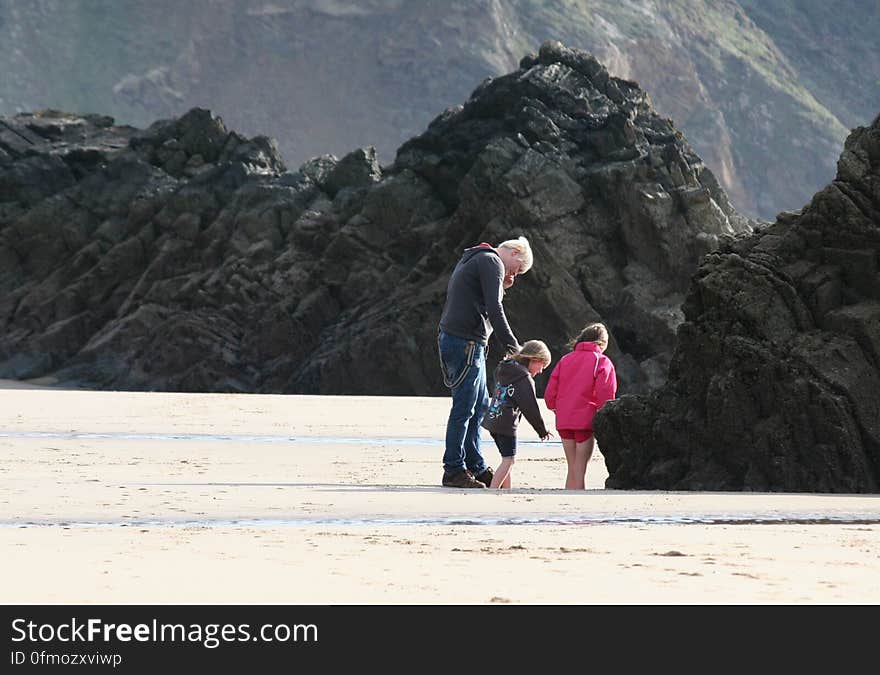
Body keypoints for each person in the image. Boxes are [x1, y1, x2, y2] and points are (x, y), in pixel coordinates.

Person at [437, 236, 533, 489]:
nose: (515, 274)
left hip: (461, 340)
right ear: (513, 253)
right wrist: (514, 348)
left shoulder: (476, 257)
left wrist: (502, 286)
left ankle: (475, 465)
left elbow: (484, 300)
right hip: (465, 342)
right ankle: (454, 470)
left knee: (479, 406)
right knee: (464, 408)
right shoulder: (492, 262)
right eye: (518, 269)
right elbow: (494, 308)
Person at [544, 322, 618, 490]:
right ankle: (576, 504)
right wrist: (603, 412)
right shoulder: (601, 361)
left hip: (564, 419)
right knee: (580, 469)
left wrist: (556, 408)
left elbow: (550, 393)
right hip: (585, 420)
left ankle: (567, 503)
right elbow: (605, 392)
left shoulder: (565, 360)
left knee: (572, 468)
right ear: (602, 343)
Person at [481, 340, 554, 489]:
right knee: (509, 460)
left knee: (506, 459)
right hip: (505, 424)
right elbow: (530, 407)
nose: (540, 371)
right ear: (533, 359)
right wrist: (541, 430)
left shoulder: (505, 368)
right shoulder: (523, 378)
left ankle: (506, 491)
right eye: (542, 365)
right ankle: (492, 490)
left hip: (492, 420)